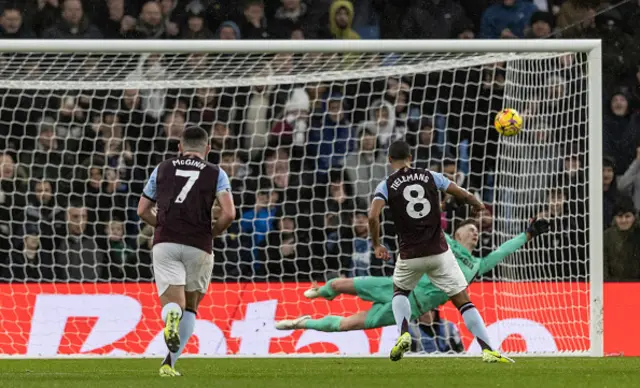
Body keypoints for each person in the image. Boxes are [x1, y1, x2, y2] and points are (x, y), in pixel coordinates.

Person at [275, 218, 550, 352]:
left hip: (408, 309)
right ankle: (321, 293)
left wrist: (527, 234)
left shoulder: (477, 266)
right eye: (470, 228)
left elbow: (502, 251)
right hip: (395, 286)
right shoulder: (444, 242)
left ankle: (303, 323)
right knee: (337, 283)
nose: (475, 231)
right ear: (457, 233)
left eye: (477, 231)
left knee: (345, 325)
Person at [137, 126, 236, 377]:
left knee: (173, 304)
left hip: (165, 243)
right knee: (190, 307)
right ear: (208, 149)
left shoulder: (162, 168)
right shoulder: (217, 173)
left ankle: (171, 314)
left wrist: (160, 226)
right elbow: (229, 213)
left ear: (179, 148)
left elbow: (142, 210)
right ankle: (169, 364)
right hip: (199, 246)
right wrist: (211, 233)